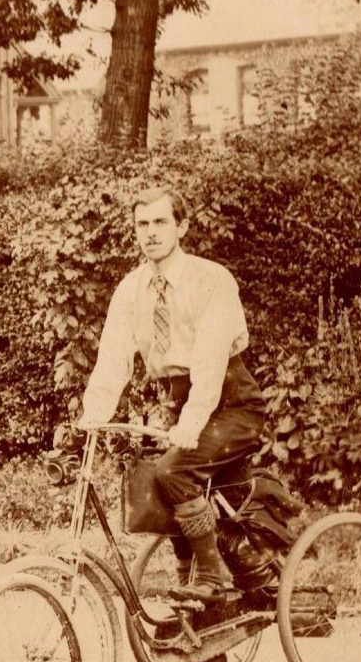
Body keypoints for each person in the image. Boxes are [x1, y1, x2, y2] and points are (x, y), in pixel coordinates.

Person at [77, 186, 269, 603]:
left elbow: (210, 359)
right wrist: (93, 414)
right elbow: (113, 356)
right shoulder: (130, 290)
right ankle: (194, 595)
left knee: (172, 472)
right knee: (151, 476)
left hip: (231, 402)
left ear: (181, 226)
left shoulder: (211, 279)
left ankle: (213, 581)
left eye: (161, 221)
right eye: (142, 224)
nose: (151, 232)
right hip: (177, 403)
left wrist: (192, 421)